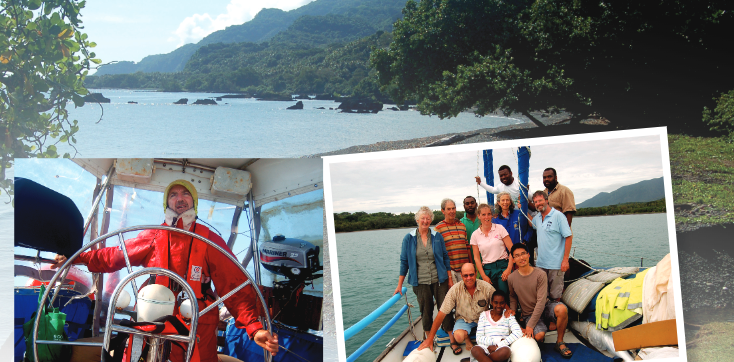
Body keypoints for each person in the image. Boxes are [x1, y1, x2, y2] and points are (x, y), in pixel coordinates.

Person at [52, 180, 278, 362]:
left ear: (193, 201)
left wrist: (254, 327)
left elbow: (234, 283)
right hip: (154, 318)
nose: (179, 198)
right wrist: (78, 257)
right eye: (173, 194)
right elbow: (115, 255)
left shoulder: (210, 240)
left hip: (197, 325)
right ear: (166, 203)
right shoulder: (153, 235)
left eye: (185, 193)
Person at [395, 206, 453, 340]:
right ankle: (429, 339)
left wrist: (449, 278)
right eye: (423, 218)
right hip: (420, 281)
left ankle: (450, 335)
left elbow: (445, 257)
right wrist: (399, 285)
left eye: (428, 218)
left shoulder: (437, 236)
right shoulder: (409, 238)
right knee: (425, 310)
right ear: (417, 220)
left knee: (445, 308)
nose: (425, 221)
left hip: (440, 279)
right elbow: (404, 262)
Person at [508, 243, 572, 358]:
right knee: (539, 337)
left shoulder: (540, 274)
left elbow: (541, 301)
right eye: (517, 255)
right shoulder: (511, 278)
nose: (521, 258)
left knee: (562, 309)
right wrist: (513, 310)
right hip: (529, 313)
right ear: (513, 260)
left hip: (545, 307)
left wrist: (530, 326)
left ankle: (560, 342)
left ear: (528, 255)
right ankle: (543, 327)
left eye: (523, 254)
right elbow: (512, 296)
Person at [417, 263, 497, 355]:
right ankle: (466, 337)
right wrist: (430, 338)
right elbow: (441, 314)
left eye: (471, 274)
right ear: (461, 276)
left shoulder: (486, 287)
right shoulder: (455, 290)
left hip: (483, 319)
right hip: (464, 319)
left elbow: (499, 303)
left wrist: (508, 314)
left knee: (495, 334)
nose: (469, 278)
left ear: (476, 273)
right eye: (465, 275)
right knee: (458, 337)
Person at [528, 190, 573, 301]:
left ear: (547, 200)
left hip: (555, 264)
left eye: (540, 200)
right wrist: (522, 208)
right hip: (541, 264)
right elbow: (531, 223)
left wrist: (565, 260)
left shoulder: (558, 216)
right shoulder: (538, 218)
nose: (538, 203)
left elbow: (568, 237)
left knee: (555, 295)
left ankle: (556, 315)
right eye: (535, 202)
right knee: (542, 294)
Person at [470, 204, 514, 295]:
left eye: (489, 214)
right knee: (490, 296)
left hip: (503, 266)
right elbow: (477, 258)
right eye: (483, 214)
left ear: (492, 215)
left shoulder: (500, 228)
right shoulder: (475, 235)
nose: (487, 217)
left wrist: (509, 268)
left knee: (504, 294)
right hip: (487, 269)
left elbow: (512, 250)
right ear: (479, 216)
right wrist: (483, 275)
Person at [472, 290, 523, 362]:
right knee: (475, 350)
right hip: (485, 347)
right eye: (496, 303)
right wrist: (497, 341)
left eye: (501, 303)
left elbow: (518, 333)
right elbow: (479, 338)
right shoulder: (484, 315)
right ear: (491, 302)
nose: (498, 306)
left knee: (505, 352)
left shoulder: (508, 316)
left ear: (505, 303)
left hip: (500, 348)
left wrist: (498, 346)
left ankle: (482, 359)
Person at [435, 198, 471, 286]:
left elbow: (467, 247)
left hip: (465, 269)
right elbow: (438, 253)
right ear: (443, 211)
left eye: (453, 208)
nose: (452, 211)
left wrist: (471, 265)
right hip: (451, 271)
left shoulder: (462, 226)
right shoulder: (438, 228)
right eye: (449, 209)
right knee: (456, 297)